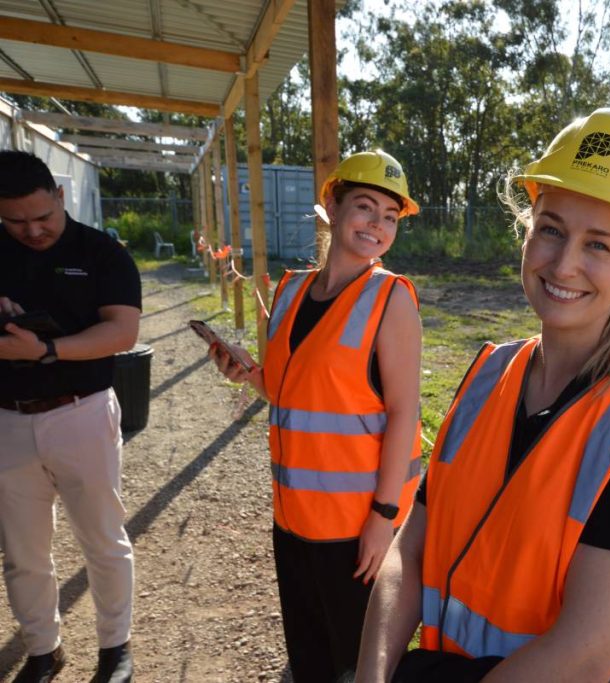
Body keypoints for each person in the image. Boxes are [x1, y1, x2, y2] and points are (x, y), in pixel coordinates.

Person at [355, 108, 610, 683]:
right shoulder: (487, 376)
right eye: (551, 229)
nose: (564, 263)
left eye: (599, 244)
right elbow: (411, 549)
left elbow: (585, 652)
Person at [211, 150, 424, 681]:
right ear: (331, 204)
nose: (377, 225)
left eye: (390, 217)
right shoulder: (290, 291)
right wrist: (248, 374)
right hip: (292, 518)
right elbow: (291, 392)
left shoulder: (390, 298)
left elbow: (403, 412)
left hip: (354, 529)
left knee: (359, 664)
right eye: (365, 207)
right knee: (309, 657)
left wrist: (383, 518)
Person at [0, 150, 140, 683]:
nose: (33, 230)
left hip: (80, 411)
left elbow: (121, 332)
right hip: (9, 418)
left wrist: (46, 352)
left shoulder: (102, 253)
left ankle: (115, 648)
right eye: (16, 221)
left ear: (60, 196)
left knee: (103, 538)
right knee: (22, 550)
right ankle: (42, 649)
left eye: (44, 217)